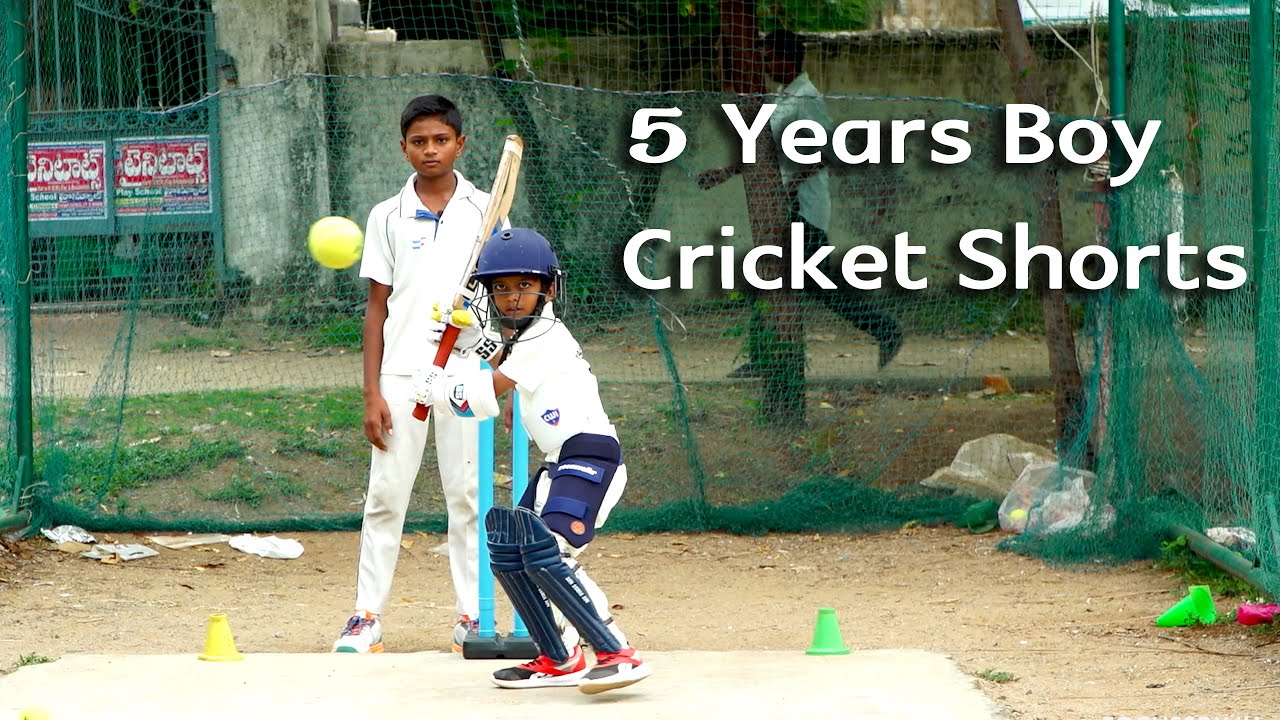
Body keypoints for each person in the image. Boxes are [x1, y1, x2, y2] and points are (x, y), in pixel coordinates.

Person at [414, 227, 652, 694]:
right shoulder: (527, 341)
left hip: (590, 454)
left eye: (524, 285)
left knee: (550, 551)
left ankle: (617, 652)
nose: (512, 297)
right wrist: (465, 336)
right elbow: (500, 355)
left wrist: (437, 389)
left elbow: (484, 393)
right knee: (509, 548)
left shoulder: (546, 336)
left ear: (549, 288)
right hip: (557, 459)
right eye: (500, 288)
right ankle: (560, 657)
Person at [333, 94, 501, 654]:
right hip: (402, 376)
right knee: (385, 496)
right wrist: (371, 391)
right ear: (404, 147)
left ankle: (473, 617)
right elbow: (377, 307)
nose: (430, 150)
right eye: (419, 141)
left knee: (469, 495)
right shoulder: (386, 215)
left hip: (465, 373)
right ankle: (365, 616)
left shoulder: (488, 210)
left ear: (460, 144)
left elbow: (508, 291)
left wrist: (488, 342)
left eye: (441, 140)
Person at [697, 28, 903, 375]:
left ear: (785, 59)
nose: (763, 64)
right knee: (770, 280)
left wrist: (793, 184)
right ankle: (768, 357)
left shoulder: (806, 98)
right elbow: (765, 151)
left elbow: (828, 150)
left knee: (806, 284)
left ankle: (884, 330)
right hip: (787, 210)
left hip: (804, 210)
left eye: (767, 58)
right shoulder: (784, 97)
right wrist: (725, 172)